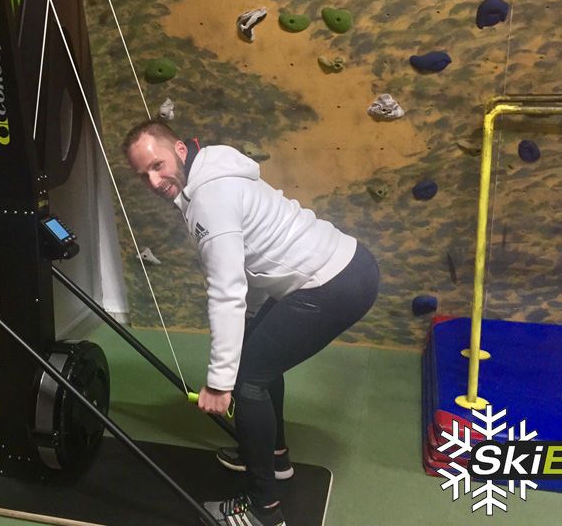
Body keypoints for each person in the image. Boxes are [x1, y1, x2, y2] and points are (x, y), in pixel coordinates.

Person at [122, 119, 379, 526]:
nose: (153, 181)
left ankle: (264, 511)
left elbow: (226, 291)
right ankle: (275, 457)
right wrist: (250, 328)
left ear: (180, 151)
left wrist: (219, 383)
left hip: (333, 284)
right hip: (343, 268)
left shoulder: (210, 198)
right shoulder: (213, 172)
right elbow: (250, 261)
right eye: (143, 175)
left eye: (158, 165)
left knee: (247, 381)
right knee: (257, 357)